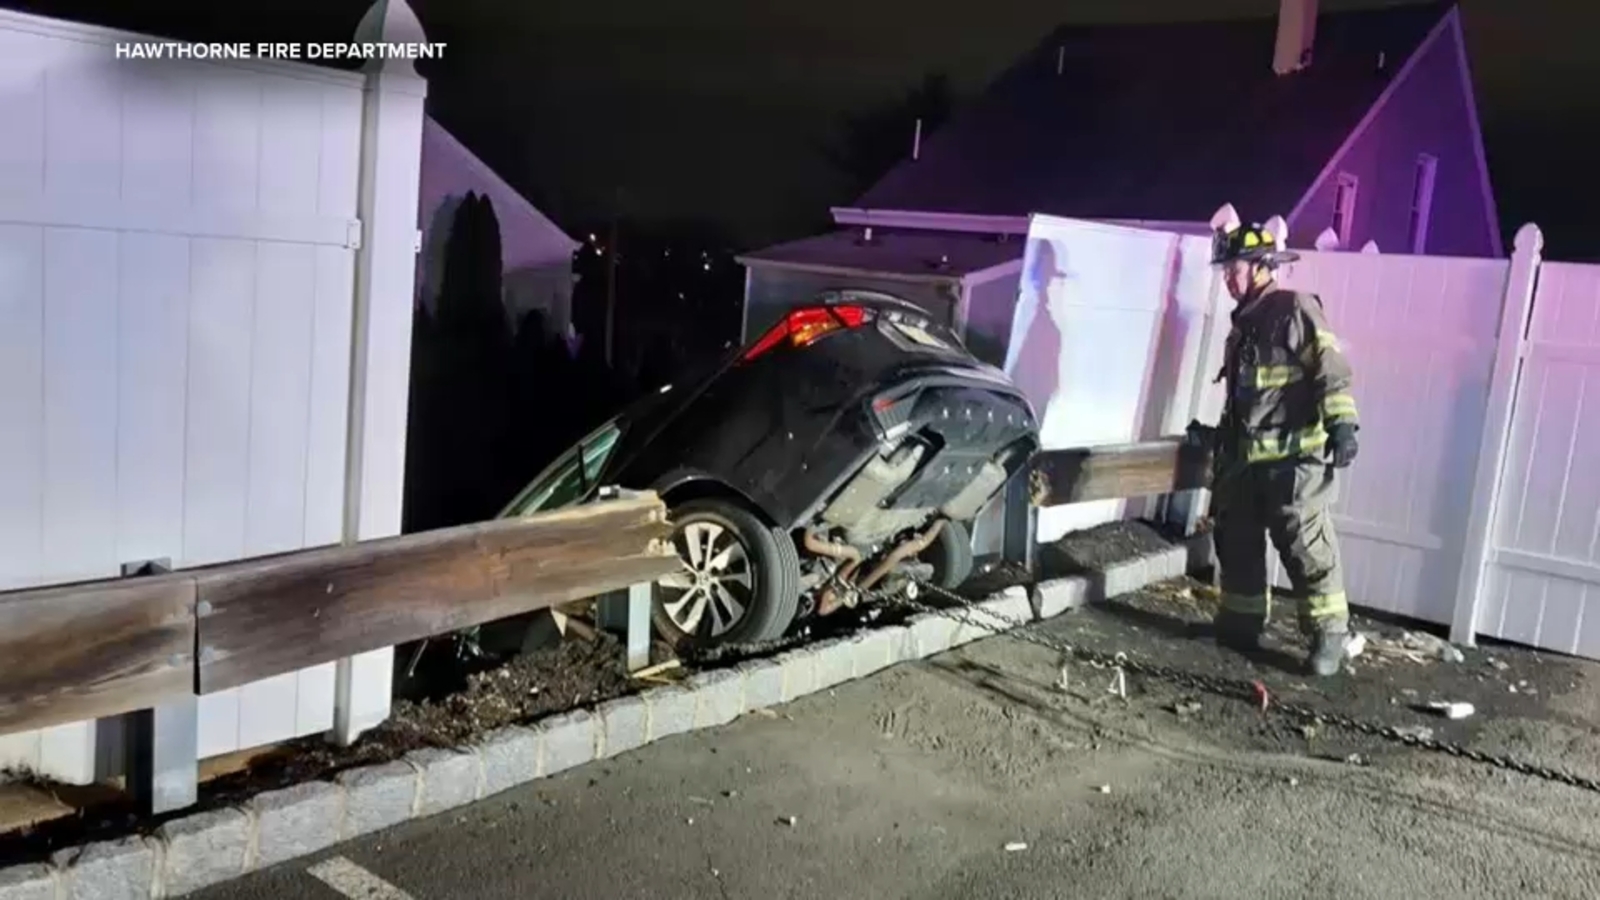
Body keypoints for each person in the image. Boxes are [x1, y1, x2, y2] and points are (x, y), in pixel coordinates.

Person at [1187, 220, 1361, 676]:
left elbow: (1331, 368)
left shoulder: (1294, 310)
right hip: (1245, 464)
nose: (1228, 278)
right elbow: (1248, 402)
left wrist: (1342, 423)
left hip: (1294, 461)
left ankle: (1329, 638)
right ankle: (1240, 624)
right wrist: (1213, 436)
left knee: (1306, 546)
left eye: (1235, 268)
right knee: (1237, 540)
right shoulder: (1241, 327)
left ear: (1262, 267)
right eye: (1225, 270)